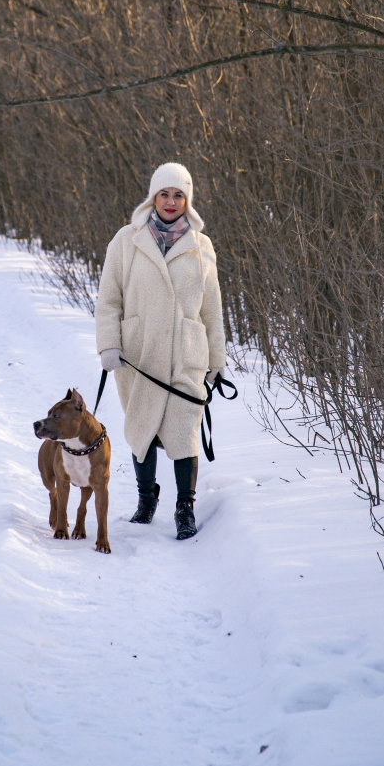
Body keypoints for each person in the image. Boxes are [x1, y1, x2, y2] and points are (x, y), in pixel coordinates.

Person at [95, 162, 226, 540]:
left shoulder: (201, 246)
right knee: (142, 428)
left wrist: (217, 360)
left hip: (186, 353)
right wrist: (109, 344)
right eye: (164, 194)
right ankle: (145, 498)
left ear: (188, 200)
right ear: (153, 196)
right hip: (138, 355)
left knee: (185, 430)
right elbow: (108, 300)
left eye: (178, 195)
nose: (171, 202)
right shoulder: (126, 240)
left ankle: (185, 507)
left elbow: (212, 308)